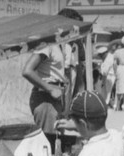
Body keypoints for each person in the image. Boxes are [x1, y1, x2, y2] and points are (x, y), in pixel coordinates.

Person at [22, 8, 83, 147]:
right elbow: (27, 71)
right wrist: (49, 89)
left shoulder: (66, 45)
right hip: (46, 99)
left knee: (56, 142)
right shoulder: (48, 44)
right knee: (47, 143)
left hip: (59, 97)